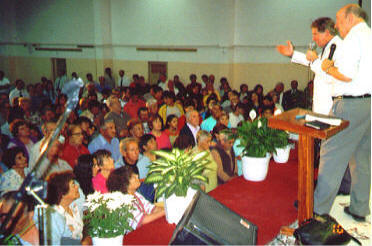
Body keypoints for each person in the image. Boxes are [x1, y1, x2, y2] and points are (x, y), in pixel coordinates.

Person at [313, 4, 371, 222]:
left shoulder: (353, 39)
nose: (336, 25)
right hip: (368, 105)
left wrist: (327, 67)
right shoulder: (369, 35)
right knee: (362, 159)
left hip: (349, 105)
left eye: (338, 20)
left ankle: (317, 215)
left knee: (330, 157)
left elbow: (346, 75)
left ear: (350, 18)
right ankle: (359, 208)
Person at [276, 17, 342, 115]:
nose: (313, 38)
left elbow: (331, 74)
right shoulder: (328, 48)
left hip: (331, 105)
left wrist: (315, 60)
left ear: (327, 33)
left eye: (315, 34)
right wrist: (292, 54)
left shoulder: (339, 48)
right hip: (322, 105)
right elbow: (311, 62)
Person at [106, 166, 165, 230]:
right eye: (133, 177)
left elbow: (152, 208)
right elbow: (143, 221)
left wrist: (165, 210)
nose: (137, 176)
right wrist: (166, 212)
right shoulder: (124, 202)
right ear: (125, 185)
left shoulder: (135, 194)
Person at [43, 171, 84, 245]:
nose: (77, 187)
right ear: (62, 194)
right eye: (73, 185)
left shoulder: (74, 207)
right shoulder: (55, 215)